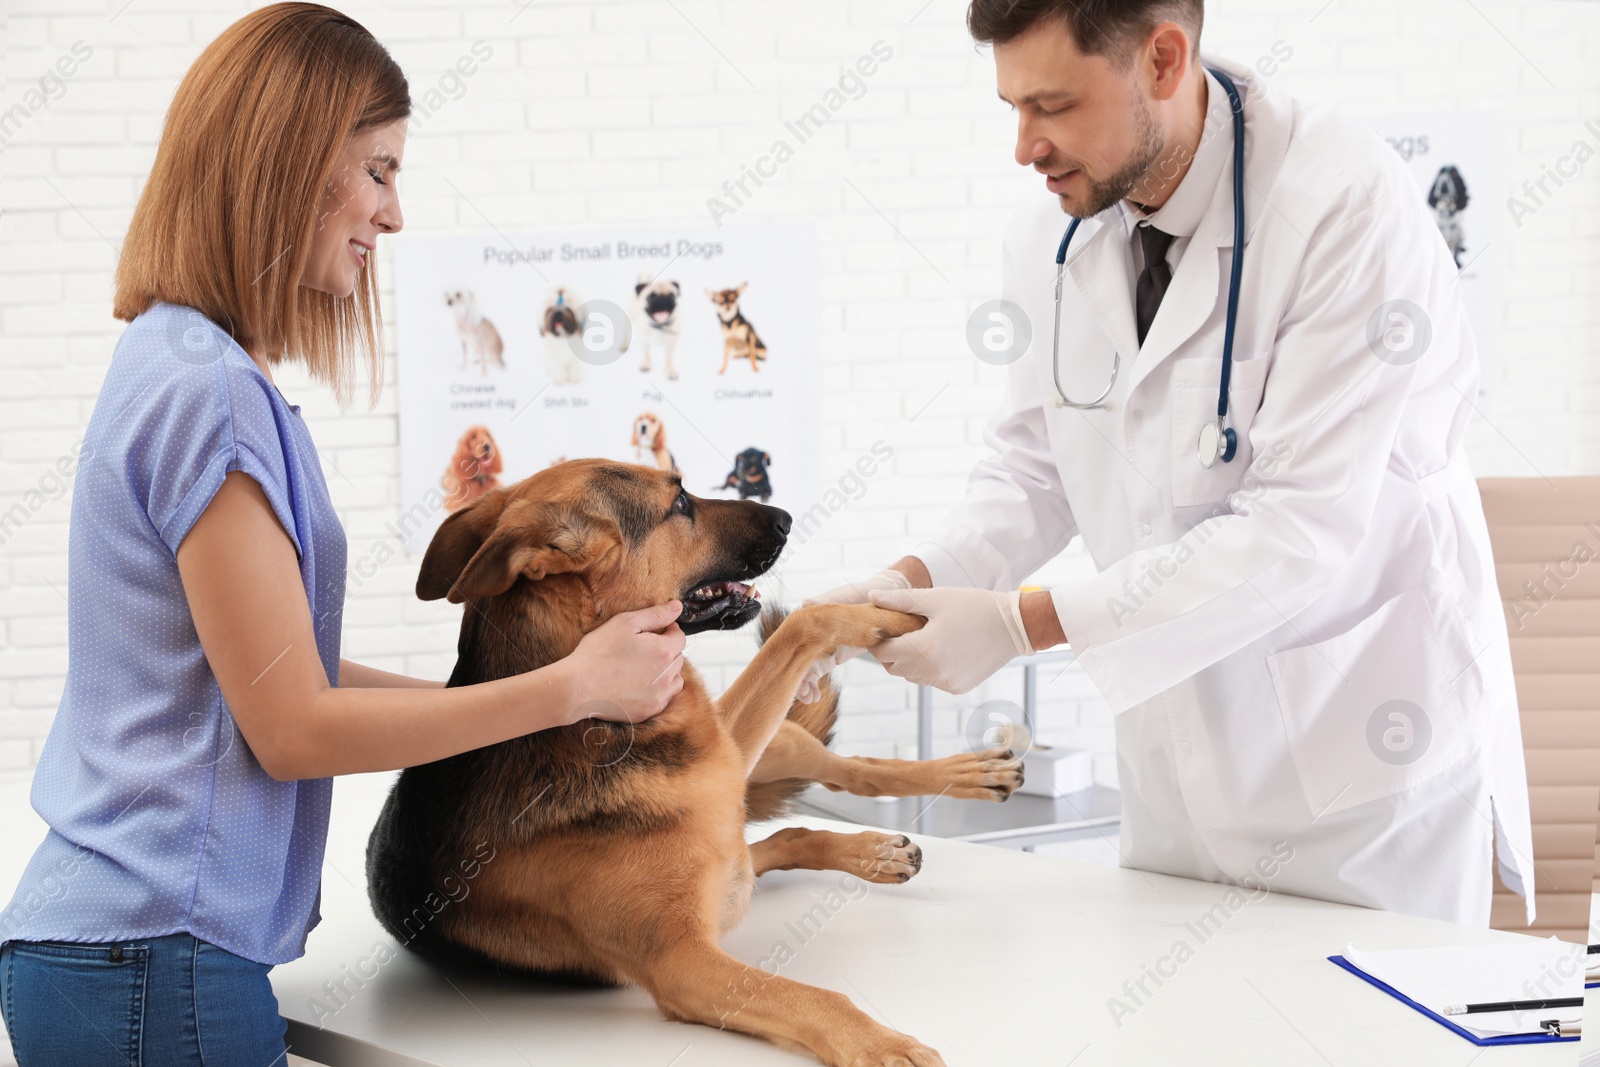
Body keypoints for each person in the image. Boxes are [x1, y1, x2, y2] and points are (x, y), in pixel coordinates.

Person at [0, 5, 686, 1062]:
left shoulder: (177, 361)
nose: (394, 213)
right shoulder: (208, 395)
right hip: (151, 957)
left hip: (123, 952)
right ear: (286, 161)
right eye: (377, 170)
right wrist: (570, 689)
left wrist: (517, 710)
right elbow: (295, 726)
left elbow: (278, 671)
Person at [805, 0, 1534, 927]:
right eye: (1012, 108)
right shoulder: (1054, 231)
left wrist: (1020, 624)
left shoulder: (1342, 206)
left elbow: (1297, 527)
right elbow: (1032, 468)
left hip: (1358, 768)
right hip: (1177, 768)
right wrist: (901, 587)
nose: (1024, 147)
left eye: (1054, 106)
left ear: (1162, 58)